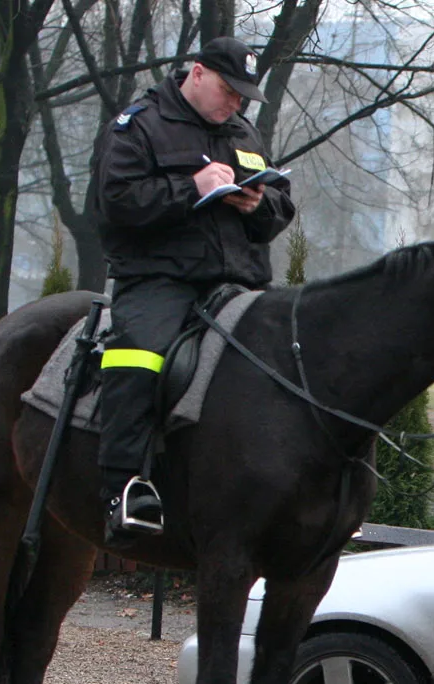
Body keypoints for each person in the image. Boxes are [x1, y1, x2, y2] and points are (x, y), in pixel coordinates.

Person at [92, 36, 295, 542]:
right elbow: (115, 202)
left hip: (241, 280)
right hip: (161, 279)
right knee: (137, 357)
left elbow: (281, 206)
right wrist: (192, 189)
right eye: (229, 90)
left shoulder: (242, 132)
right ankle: (125, 489)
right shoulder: (139, 125)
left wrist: (258, 205)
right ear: (198, 74)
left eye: (244, 96)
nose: (236, 103)